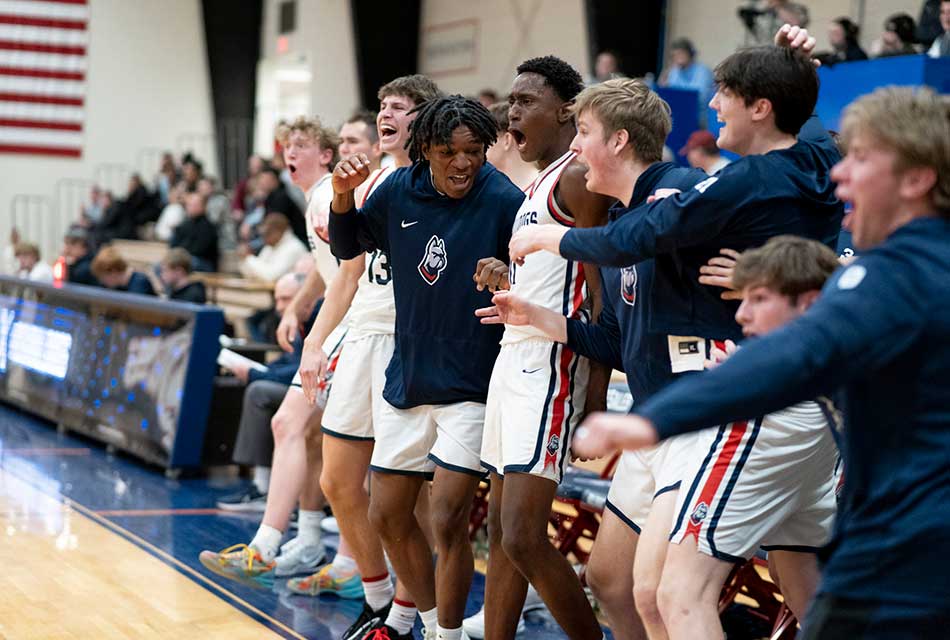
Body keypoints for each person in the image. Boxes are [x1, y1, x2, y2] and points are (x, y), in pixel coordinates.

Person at [573, 85, 950, 639]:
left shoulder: (895, 275)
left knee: (674, 593)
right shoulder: (899, 267)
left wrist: (651, 420)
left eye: (861, 160)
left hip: (911, 542)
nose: (840, 177)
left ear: (917, 180)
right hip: (885, 531)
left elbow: (776, 363)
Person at [508, 24, 843, 638]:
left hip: (709, 408)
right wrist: (539, 319)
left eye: (580, 134)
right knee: (617, 581)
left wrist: (761, 276)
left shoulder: (687, 189)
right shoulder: (624, 214)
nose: (573, 150)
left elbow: (645, 239)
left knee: (668, 592)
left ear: (617, 140)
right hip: (665, 408)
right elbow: (614, 332)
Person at [329, 94, 525, 640]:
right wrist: (343, 197)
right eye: (449, 152)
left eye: (474, 152)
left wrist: (508, 273)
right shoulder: (397, 189)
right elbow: (350, 244)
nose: (463, 163)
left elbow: (538, 279)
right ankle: (431, 622)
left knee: (447, 519)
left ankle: (445, 634)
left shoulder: (505, 198)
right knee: (388, 515)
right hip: (409, 374)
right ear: (424, 152)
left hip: (471, 382)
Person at [471, 55, 614, 640]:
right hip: (516, 355)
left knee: (526, 535)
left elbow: (604, 291)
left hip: (552, 365)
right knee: (505, 532)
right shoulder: (538, 181)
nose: (512, 112)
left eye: (525, 101)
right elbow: (556, 273)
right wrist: (505, 273)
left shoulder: (579, 176)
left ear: (565, 111)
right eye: (511, 101)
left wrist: (598, 393)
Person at [292, 83, 442, 640]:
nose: (386, 114)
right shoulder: (368, 184)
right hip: (362, 336)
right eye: (382, 106)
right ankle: (379, 600)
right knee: (337, 480)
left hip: (410, 343)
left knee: (403, 498)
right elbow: (348, 275)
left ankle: (405, 617)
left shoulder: (437, 185)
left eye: (399, 108)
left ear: (424, 121)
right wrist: (315, 340)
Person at [659, 236, 840, 638]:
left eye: (758, 300)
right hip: (818, 435)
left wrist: (749, 375)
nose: (741, 315)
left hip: (771, 422)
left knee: (681, 594)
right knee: (802, 583)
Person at [199, 116, 340, 588]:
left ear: (327, 154)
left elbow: (352, 277)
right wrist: (297, 307)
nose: (290, 153)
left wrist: (317, 336)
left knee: (298, 429)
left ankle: (274, 547)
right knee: (311, 437)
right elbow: (329, 268)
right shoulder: (315, 200)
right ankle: (309, 543)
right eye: (287, 146)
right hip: (343, 326)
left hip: (358, 329)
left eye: (302, 145)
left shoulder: (326, 197)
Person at [217, 271, 313, 512]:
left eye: (286, 299)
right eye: (277, 299)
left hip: (322, 391)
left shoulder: (320, 314)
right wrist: (261, 369)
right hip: (308, 388)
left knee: (259, 391)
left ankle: (264, 489)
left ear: (306, 296)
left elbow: (301, 368)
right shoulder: (299, 319)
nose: (279, 307)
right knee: (260, 390)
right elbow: (291, 360)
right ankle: (262, 487)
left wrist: (255, 374)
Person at [239, 212, 309, 283]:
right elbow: (250, 272)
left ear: (278, 231)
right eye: (263, 235)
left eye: (267, 234)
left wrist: (248, 257)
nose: (264, 239)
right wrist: (247, 259)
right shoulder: (270, 246)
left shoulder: (294, 247)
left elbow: (272, 277)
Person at [484, 102, 537, 190]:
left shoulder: (546, 189)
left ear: (507, 140)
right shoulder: (492, 189)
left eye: (485, 141)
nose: (479, 151)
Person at [660, 38, 715, 120]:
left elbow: (700, 98)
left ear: (690, 54)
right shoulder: (674, 71)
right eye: (675, 55)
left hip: (700, 117)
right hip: (679, 114)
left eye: (681, 54)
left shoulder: (703, 71)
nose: (678, 57)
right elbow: (669, 93)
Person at [170, 193, 219, 272]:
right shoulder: (184, 224)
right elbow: (173, 244)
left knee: (184, 263)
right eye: (189, 205)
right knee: (162, 266)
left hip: (204, 263)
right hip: (184, 261)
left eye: (195, 205)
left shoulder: (208, 226)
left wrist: (180, 255)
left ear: (203, 207)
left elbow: (200, 250)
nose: (191, 207)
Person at [90, 245, 156, 296]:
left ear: (113, 271)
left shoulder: (140, 283)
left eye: (103, 277)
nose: (102, 281)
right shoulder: (117, 286)